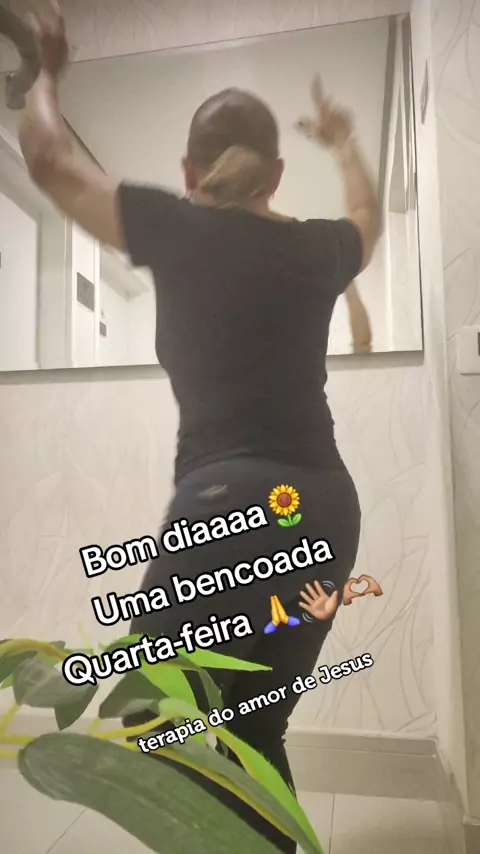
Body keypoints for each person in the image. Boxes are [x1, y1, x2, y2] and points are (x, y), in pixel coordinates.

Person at [19, 4, 381, 852]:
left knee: (151, 706)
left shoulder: (175, 227)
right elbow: (368, 217)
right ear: (277, 174)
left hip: (229, 502)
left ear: (188, 170)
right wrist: (343, 143)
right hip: (326, 510)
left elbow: (45, 158)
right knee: (252, 728)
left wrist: (49, 75)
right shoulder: (319, 248)